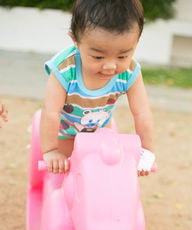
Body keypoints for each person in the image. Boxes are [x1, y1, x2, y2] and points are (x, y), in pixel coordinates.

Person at [40, 0, 155, 176]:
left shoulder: (130, 72)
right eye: (98, 57)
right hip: (65, 131)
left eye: (122, 56)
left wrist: (146, 150)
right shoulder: (65, 70)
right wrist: (51, 150)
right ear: (76, 41)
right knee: (66, 172)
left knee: (102, 172)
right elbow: (50, 112)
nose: (110, 66)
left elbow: (142, 112)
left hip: (101, 130)